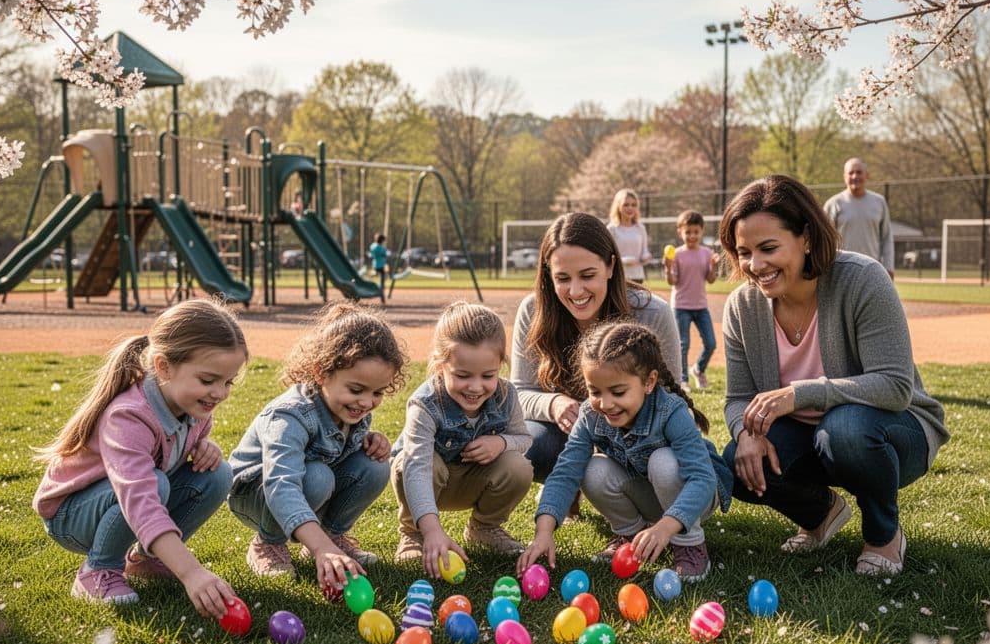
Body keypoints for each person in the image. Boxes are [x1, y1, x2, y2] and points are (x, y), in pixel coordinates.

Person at [719, 175, 948, 576]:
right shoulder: (742, 306)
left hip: (891, 431)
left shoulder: (862, 280)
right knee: (736, 462)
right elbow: (738, 397)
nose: (755, 265)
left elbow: (895, 386)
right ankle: (821, 516)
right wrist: (745, 433)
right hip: (811, 437)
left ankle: (883, 537)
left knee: (845, 429)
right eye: (744, 252)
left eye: (769, 248)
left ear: (805, 237)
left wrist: (797, 394)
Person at [33, 299, 248, 616]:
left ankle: (148, 560)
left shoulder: (196, 407)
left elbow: (172, 448)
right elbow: (139, 495)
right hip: (72, 515)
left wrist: (205, 448)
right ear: (163, 367)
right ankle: (98, 571)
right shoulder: (128, 417)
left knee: (217, 475)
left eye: (227, 382)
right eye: (208, 380)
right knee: (155, 485)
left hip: (125, 499)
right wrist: (191, 573)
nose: (219, 393)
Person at [517, 322, 733, 582]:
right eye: (594, 391)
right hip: (650, 492)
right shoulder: (590, 415)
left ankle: (689, 543)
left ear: (649, 382)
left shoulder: (671, 411)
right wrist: (543, 533)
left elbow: (702, 478)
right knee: (593, 469)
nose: (605, 404)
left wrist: (667, 526)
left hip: (696, 494)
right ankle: (632, 535)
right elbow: (565, 473)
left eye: (618, 392)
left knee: (662, 461)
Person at [227, 302, 406, 591]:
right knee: (318, 477)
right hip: (255, 491)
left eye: (377, 393)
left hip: (308, 482)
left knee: (374, 465)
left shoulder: (352, 409)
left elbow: (339, 450)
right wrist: (320, 547)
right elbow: (280, 483)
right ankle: (268, 543)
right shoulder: (290, 415)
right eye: (357, 390)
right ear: (321, 373)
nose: (366, 402)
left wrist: (370, 442)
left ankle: (330, 536)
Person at [510, 212, 682, 484]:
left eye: (587, 275)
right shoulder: (533, 311)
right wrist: (553, 403)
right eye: (563, 278)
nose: (576, 291)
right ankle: (567, 491)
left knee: (659, 458)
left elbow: (672, 395)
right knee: (534, 447)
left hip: (632, 428)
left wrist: (617, 411)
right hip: (567, 429)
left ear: (611, 266)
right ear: (548, 274)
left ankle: (625, 493)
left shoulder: (653, 312)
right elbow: (519, 392)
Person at [391, 302, 533, 575]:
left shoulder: (507, 395)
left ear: (500, 366)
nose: (476, 387)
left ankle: (484, 528)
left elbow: (523, 438)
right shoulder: (425, 404)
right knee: (414, 463)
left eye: (488, 375)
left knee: (518, 466)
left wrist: (501, 443)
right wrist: (432, 530)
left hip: (473, 480)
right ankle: (413, 533)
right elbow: (417, 468)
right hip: (426, 481)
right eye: (463, 375)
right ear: (440, 366)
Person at [663, 210, 720, 391]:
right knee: (683, 344)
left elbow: (710, 279)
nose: (692, 236)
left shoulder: (706, 253)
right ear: (680, 232)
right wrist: (667, 267)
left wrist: (714, 267)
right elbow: (673, 281)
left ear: (701, 231)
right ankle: (683, 379)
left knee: (711, 343)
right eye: (688, 232)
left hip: (701, 306)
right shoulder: (677, 255)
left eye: (696, 232)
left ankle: (698, 369)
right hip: (681, 306)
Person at [823, 158, 894, 278]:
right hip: (841, 272)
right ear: (844, 176)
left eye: (859, 172)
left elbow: (886, 238)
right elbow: (824, 241)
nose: (855, 176)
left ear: (867, 175)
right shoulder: (833, 204)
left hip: (872, 271)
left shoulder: (879, 202)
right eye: (851, 173)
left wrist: (889, 266)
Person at [607, 188, 651, 284]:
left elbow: (645, 252)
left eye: (633, 205)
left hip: (638, 277)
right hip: (618, 277)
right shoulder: (612, 229)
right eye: (626, 205)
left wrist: (646, 257)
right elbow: (607, 256)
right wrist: (624, 260)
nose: (630, 208)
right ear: (618, 206)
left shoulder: (640, 228)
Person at [368, 233, 389, 303]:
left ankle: (372, 277)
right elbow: (385, 254)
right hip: (381, 265)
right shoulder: (381, 248)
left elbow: (371, 253)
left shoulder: (372, 246)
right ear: (382, 240)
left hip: (374, 264)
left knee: (377, 277)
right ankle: (382, 297)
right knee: (382, 282)